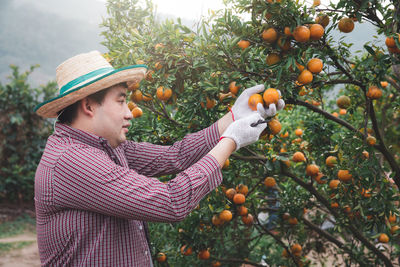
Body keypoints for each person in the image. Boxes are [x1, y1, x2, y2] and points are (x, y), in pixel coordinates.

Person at [34, 51, 284, 266]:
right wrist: (231, 140)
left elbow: (176, 156)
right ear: (89, 106)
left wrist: (232, 118)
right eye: (121, 101)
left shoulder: (109, 148)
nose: (129, 113)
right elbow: (170, 202)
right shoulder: (71, 161)